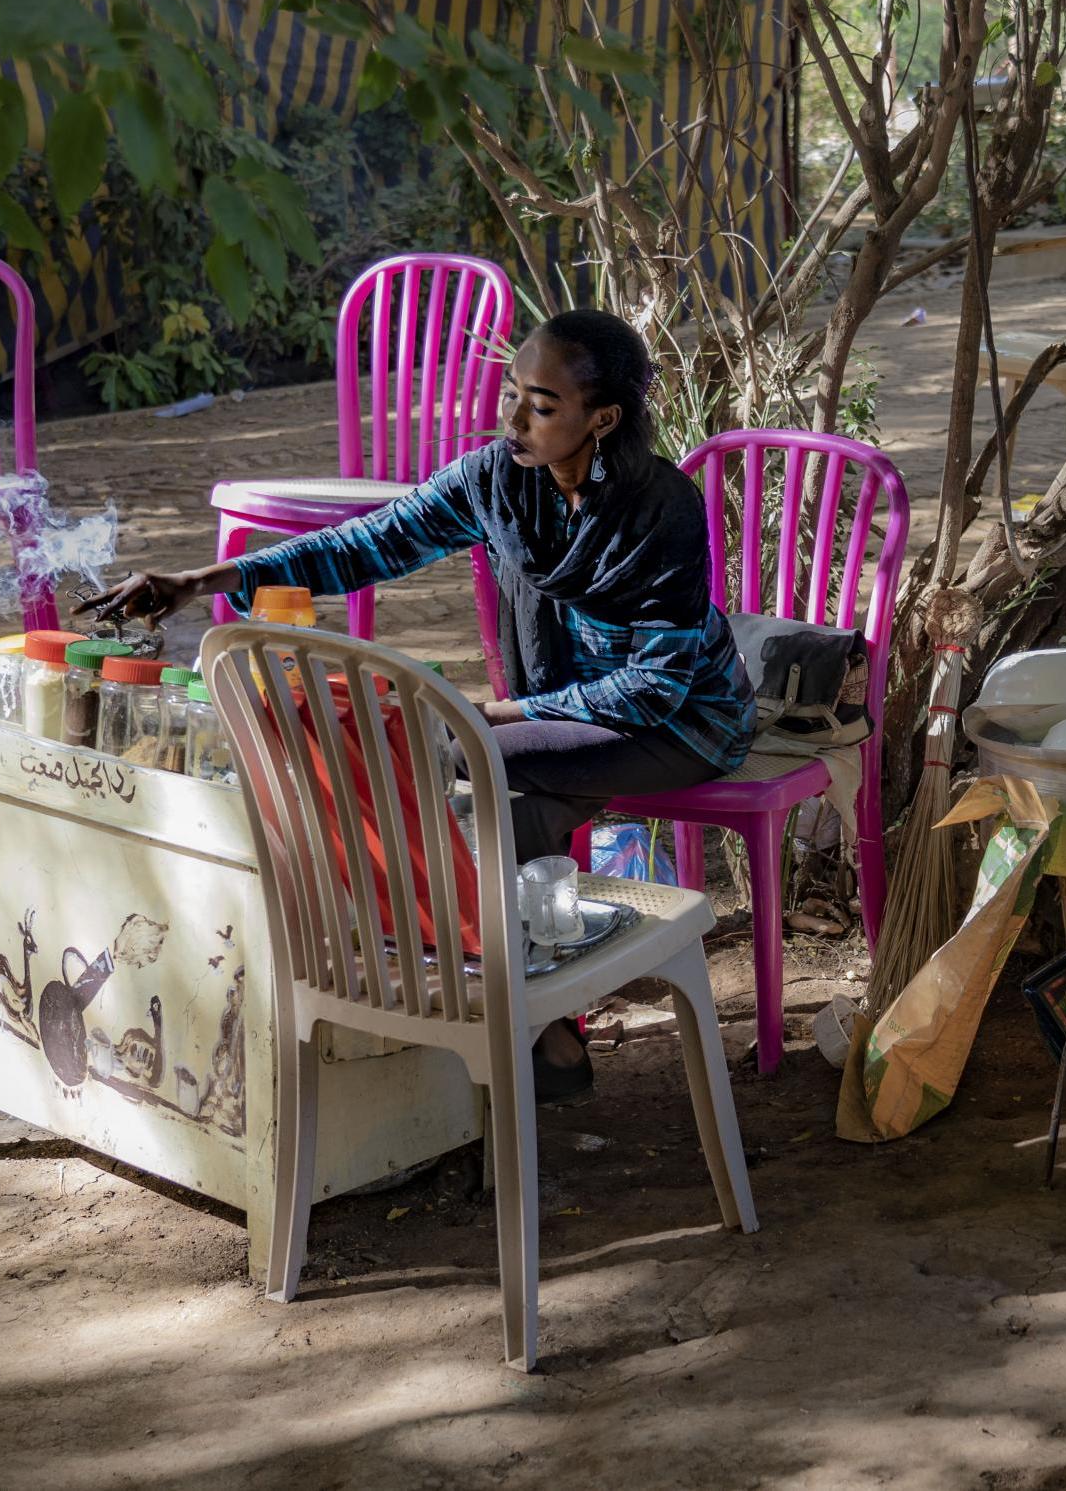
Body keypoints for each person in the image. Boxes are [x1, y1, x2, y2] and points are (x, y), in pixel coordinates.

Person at [80, 308, 755, 1097]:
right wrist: (203, 580)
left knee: (464, 770)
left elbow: (654, 686)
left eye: (540, 405)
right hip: (560, 712)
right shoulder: (498, 479)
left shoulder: (664, 510)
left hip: (685, 721)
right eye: (512, 393)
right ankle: (539, 1035)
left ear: (601, 418)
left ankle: (521, 1029)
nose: (512, 419)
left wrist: (499, 715)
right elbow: (364, 543)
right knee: (507, 816)